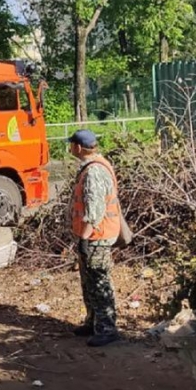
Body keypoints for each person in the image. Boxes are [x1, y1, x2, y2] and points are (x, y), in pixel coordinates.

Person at [67, 129, 120, 347]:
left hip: (97, 237)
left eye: (71, 144)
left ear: (78, 147)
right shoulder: (92, 167)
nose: (70, 148)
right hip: (92, 236)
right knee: (89, 282)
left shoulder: (94, 172)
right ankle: (93, 322)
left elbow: (95, 210)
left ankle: (107, 329)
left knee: (99, 282)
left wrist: (85, 238)